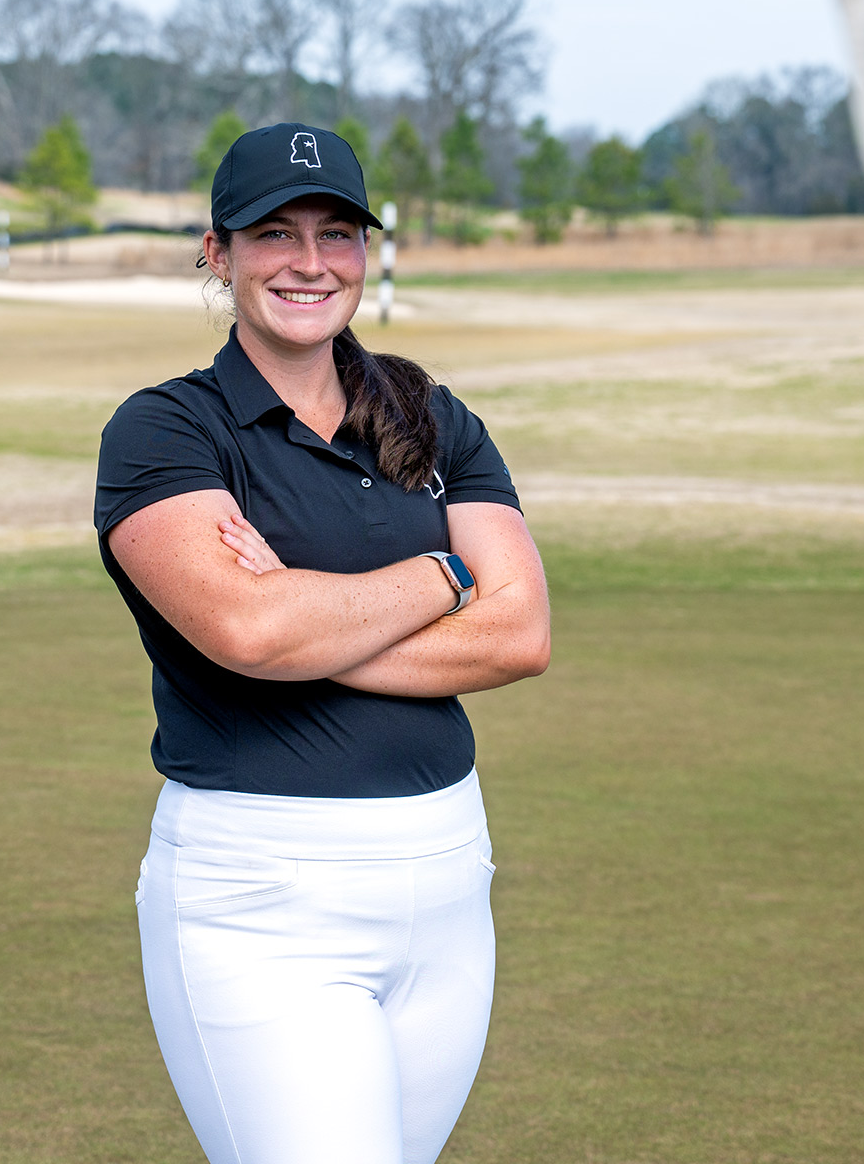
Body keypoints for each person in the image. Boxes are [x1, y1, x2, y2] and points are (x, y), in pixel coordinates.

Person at [94, 122, 552, 1164]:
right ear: (219, 252)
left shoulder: (430, 416)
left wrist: (306, 624)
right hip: (262, 900)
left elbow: (520, 631)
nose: (310, 261)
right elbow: (247, 628)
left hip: (445, 885)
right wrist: (444, 576)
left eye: (337, 232)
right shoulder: (167, 429)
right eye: (275, 233)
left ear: (366, 251)